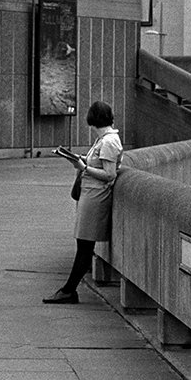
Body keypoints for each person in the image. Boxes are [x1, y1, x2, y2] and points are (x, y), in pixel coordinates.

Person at [43, 101, 123, 304]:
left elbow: (109, 174)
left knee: (85, 245)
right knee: (84, 244)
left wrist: (83, 167)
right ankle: (68, 290)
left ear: (92, 120)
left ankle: (69, 290)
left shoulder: (108, 142)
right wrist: (78, 159)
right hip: (91, 194)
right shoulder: (105, 140)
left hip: (96, 196)